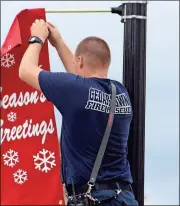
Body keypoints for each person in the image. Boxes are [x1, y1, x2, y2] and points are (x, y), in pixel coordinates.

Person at [19, 19, 138, 206]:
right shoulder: (121, 92)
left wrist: (37, 38)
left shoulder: (77, 90)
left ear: (80, 60)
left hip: (93, 199)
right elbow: (79, 79)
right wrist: (58, 42)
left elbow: (25, 70)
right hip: (123, 197)